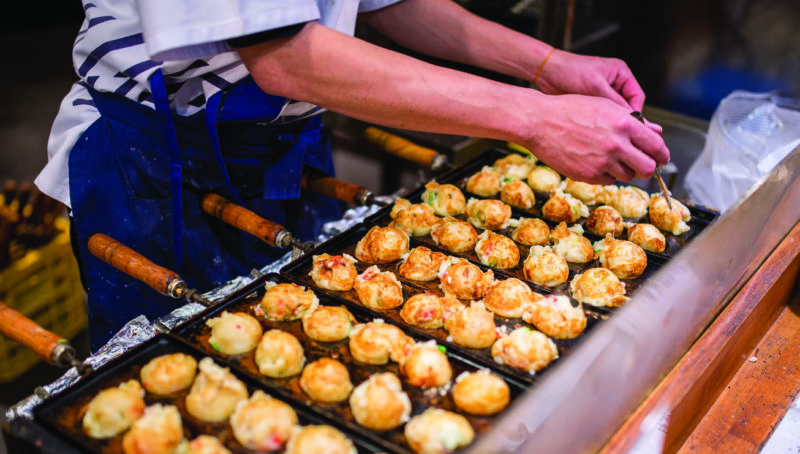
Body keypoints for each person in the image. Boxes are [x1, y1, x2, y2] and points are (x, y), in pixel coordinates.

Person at [36, 0, 669, 351]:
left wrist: (547, 65)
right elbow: (285, 55)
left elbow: (390, 3)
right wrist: (534, 119)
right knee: (169, 378)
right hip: (155, 159)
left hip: (283, 143)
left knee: (309, 330)